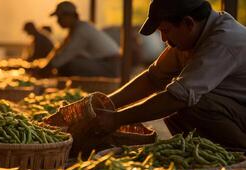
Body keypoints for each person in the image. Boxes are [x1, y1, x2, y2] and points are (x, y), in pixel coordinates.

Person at [91, 0, 246, 149]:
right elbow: (152, 78)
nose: (164, 39)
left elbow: (178, 97)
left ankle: (238, 151)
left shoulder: (223, 41)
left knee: (187, 101)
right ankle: (204, 149)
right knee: (174, 101)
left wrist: (117, 119)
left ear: (188, 23)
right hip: (233, 109)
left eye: (165, 30)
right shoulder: (190, 38)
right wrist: (106, 103)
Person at [40, 1, 121, 77]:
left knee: (68, 65)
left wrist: (47, 67)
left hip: (110, 66)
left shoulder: (82, 30)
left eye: (60, 18)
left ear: (70, 16)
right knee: (66, 63)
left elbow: (66, 54)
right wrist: (46, 63)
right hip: (102, 63)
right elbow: (59, 49)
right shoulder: (75, 30)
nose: (58, 21)